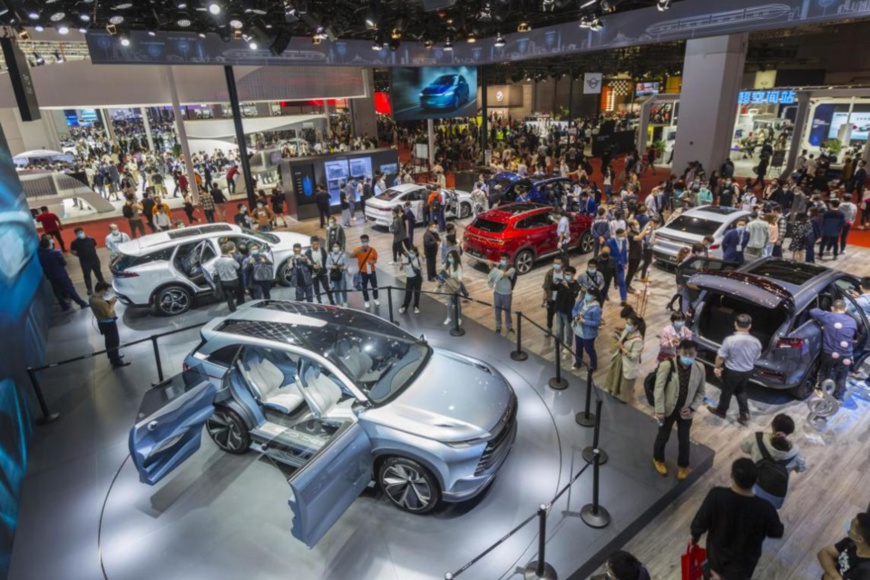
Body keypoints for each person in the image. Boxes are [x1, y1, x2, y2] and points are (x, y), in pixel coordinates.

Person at [690, 458, 784, 580]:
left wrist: (694, 538)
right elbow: (777, 532)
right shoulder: (766, 509)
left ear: (732, 476)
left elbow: (700, 522)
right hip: (743, 566)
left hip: (716, 558)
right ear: (756, 480)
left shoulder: (716, 495)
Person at [652, 339, 706, 481]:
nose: (688, 356)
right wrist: (659, 410)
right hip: (667, 410)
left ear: (696, 354)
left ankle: (683, 466)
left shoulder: (700, 368)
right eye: (685, 353)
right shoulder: (666, 365)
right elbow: (659, 389)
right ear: (679, 351)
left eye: (691, 354)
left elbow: (701, 392)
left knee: (684, 439)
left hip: (686, 411)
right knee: (663, 435)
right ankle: (658, 459)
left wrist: (692, 407)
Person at [740, 413, 807, 509]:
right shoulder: (795, 452)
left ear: (773, 426)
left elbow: (744, 446)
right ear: (790, 432)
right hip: (774, 487)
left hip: (754, 478)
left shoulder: (758, 438)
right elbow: (802, 468)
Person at [708, 313, 762, 426]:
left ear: (735, 324)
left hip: (732, 371)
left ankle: (721, 411)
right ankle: (744, 414)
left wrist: (717, 367)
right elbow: (756, 357)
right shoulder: (756, 342)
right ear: (749, 326)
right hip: (747, 371)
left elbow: (721, 356)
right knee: (741, 390)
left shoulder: (729, 340)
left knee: (727, 391)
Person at [811, 299, 858, 401]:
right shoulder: (853, 321)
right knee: (841, 376)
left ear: (832, 308)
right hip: (846, 355)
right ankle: (838, 396)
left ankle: (824, 394)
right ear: (845, 309)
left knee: (825, 373)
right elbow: (854, 336)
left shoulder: (828, 316)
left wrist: (828, 312)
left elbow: (813, 311)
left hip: (829, 353)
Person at [602, 308, 645, 404]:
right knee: (615, 375)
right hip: (619, 359)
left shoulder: (638, 340)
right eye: (627, 323)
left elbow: (634, 356)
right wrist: (618, 334)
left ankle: (622, 397)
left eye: (629, 324)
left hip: (628, 362)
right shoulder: (627, 330)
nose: (627, 326)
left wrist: (622, 348)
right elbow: (623, 339)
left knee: (624, 381)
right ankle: (612, 390)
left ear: (636, 326)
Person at [37, 237, 88, 310]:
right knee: (70, 289)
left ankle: (64, 306)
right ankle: (81, 303)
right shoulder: (55, 253)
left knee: (57, 291)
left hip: (51, 276)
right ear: (49, 244)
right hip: (61, 274)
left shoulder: (40, 255)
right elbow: (63, 263)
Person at [817, 512, 870, 580]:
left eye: (851, 527)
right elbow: (823, 553)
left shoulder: (865, 572)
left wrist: (829, 568)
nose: (848, 527)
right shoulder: (851, 542)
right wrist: (834, 575)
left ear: (859, 539)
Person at [89, 281, 130, 368]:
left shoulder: (92, 298)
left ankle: (112, 357)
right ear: (102, 290)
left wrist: (108, 302)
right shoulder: (100, 302)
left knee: (108, 341)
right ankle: (116, 361)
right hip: (109, 324)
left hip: (102, 323)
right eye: (105, 290)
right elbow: (110, 314)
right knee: (114, 342)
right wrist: (112, 304)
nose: (105, 292)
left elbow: (101, 306)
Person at [572, 287, 602, 371]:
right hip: (578, 330)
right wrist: (575, 316)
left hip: (588, 334)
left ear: (594, 297)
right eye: (587, 293)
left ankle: (593, 365)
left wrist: (584, 321)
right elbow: (574, 310)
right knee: (578, 347)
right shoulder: (582, 301)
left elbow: (597, 323)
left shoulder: (596, 308)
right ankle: (578, 362)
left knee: (589, 349)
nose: (587, 295)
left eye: (589, 294)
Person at [69, 227, 105, 296]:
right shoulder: (74, 243)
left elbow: (95, 246)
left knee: (98, 273)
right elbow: (73, 251)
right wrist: (80, 255)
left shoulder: (91, 239)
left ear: (83, 231)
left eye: (81, 232)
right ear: (76, 234)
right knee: (87, 275)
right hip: (85, 262)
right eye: (78, 233)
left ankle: (103, 284)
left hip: (94, 259)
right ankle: (89, 289)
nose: (80, 234)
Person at [488, 253, 516, 333]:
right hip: (497, 292)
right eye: (501, 259)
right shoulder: (498, 267)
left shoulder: (512, 269)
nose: (501, 261)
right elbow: (493, 273)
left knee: (507, 311)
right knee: (497, 311)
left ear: (508, 260)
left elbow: (504, 275)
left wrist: (493, 269)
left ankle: (509, 326)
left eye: (503, 259)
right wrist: (491, 266)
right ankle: (498, 326)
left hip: (507, 294)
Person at [554, 266, 580, 350]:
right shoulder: (562, 283)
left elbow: (573, 295)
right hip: (559, 309)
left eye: (568, 274)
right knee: (558, 330)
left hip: (568, 311)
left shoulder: (576, 285)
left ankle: (568, 344)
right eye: (565, 274)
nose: (566, 276)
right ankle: (559, 343)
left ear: (573, 274)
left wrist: (567, 287)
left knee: (569, 330)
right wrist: (554, 283)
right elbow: (553, 288)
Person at [350, 235, 380, 308]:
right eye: (363, 241)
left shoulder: (372, 250)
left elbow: (375, 259)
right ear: (361, 241)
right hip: (363, 272)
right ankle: (366, 301)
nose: (364, 243)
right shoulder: (358, 249)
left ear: (368, 240)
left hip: (372, 271)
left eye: (365, 241)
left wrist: (373, 262)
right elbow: (351, 256)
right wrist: (359, 251)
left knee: (374, 285)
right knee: (364, 287)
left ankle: (375, 298)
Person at [213, 242, 243, 311]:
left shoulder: (216, 261)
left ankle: (232, 310)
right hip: (234, 281)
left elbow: (215, 269)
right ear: (228, 251)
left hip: (224, 282)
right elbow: (238, 267)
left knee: (229, 297)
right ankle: (241, 306)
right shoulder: (231, 260)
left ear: (221, 251)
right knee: (239, 293)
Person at [306, 236, 334, 305]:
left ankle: (332, 301)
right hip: (314, 274)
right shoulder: (307, 253)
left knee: (327, 287)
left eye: (317, 244)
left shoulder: (322, 250)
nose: (316, 246)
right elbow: (306, 264)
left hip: (323, 272)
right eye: (314, 244)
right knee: (316, 289)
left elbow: (326, 259)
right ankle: (319, 302)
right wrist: (313, 266)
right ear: (311, 244)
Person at [542, 256, 567, 333]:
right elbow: (545, 285)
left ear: (562, 264)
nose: (556, 265)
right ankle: (549, 328)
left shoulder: (565, 274)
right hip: (551, 298)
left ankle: (560, 331)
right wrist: (544, 295)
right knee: (550, 315)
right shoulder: (550, 273)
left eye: (558, 263)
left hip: (561, 300)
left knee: (560, 317)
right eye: (554, 263)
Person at [606, 228, 629, 305]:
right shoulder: (610, 242)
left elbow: (624, 252)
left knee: (622, 282)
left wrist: (625, 262)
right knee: (607, 281)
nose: (623, 236)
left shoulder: (624, 241)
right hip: (611, 265)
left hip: (620, 265)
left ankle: (623, 300)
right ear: (617, 235)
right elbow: (606, 254)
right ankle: (605, 294)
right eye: (621, 235)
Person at [439, 250, 463, 326]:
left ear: (455, 257)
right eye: (449, 257)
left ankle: (459, 318)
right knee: (448, 304)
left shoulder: (458, 266)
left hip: (455, 287)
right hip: (448, 287)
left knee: (457, 304)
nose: (450, 258)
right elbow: (442, 275)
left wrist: (450, 279)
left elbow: (460, 279)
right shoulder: (446, 265)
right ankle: (449, 317)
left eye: (451, 257)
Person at [398, 245, 423, 315]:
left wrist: (420, 251)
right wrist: (402, 264)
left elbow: (424, 257)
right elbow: (401, 269)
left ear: (415, 253)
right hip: (409, 278)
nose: (411, 254)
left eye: (413, 252)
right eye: (410, 252)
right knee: (408, 293)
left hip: (417, 278)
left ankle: (416, 306)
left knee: (417, 293)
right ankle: (405, 306)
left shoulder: (418, 258)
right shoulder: (406, 258)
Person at [326, 242, 348, 307]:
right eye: (334, 246)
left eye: (336, 246)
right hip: (333, 275)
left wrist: (342, 267)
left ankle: (345, 302)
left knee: (343, 288)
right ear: (332, 248)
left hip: (341, 274)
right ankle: (338, 303)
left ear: (339, 247)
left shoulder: (343, 255)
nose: (335, 248)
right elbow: (327, 265)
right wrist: (332, 266)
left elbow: (346, 264)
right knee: (336, 289)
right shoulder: (329, 255)